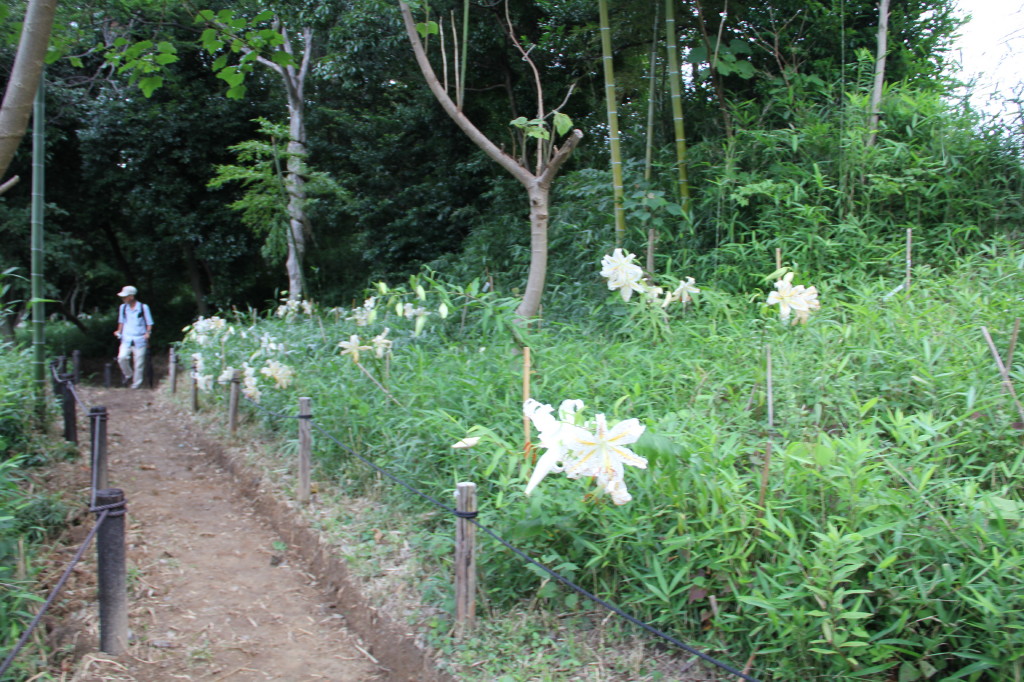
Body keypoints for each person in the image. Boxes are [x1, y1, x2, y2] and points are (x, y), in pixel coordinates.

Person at [114, 285, 154, 389]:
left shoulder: (143, 307)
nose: (123, 298)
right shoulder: (123, 308)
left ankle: (136, 384)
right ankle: (128, 374)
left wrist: (148, 332)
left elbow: (149, 323)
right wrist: (119, 331)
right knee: (121, 358)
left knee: (139, 364)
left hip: (140, 339)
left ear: (131, 296)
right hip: (126, 338)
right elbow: (121, 321)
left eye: (125, 296)